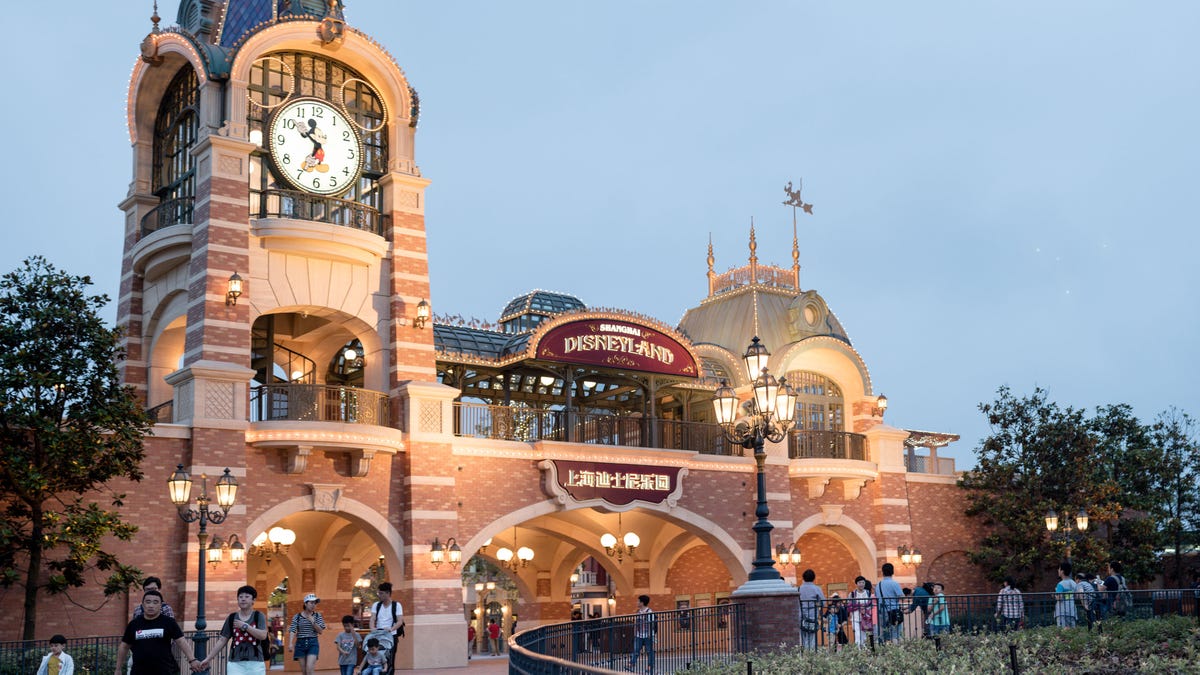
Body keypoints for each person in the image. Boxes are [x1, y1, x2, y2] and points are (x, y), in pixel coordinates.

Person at [115, 590, 200, 675]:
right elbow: (124, 646)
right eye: (148, 602)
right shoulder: (134, 624)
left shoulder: (169, 622)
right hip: (139, 671)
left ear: (161, 605)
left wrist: (192, 660)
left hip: (164, 671)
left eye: (155, 602)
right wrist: (118, 669)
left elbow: (181, 641)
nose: (151, 605)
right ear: (143, 604)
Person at [202, 585, 270, 675]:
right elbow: (222, 640)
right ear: (237, 600)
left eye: (247, 596)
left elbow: (262, 635)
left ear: (253, 600)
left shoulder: (258, 616)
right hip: (235, 664)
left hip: (256, 663)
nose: (243, 599)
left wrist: (245, 626)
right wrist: (208, 659)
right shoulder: (232, 618)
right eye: (240, 597)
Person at [369, 582, 404, 673]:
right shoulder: (376, 605)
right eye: (378, 593)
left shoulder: (396, 605)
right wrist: (372, 628)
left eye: (381, 593)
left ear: (388, 593)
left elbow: (400, 621)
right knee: (378, 660)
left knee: (390, 659)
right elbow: (372, 618)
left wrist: (391, 629)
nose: (379, 595)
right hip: (379, 636)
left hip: (391, 636)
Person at [289, 593, 326, 675]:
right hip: (300, 644)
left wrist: (313, 621)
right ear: (305, 604)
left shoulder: (317, 616)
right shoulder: (297, 616)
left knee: (309, 668)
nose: (313, 605)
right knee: (304, 671)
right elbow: (292, 630)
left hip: (312, 643)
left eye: (315, 603)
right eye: (311, 603)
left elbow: (320, 631)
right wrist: (290, 643)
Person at [796, 569, 825, 650]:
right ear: (814, 578)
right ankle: (810, 654)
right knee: (812, 636)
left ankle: (804, 652)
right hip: (813, 615)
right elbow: (823, 602)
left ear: (803, 578)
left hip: (801, 616)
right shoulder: (816, 589)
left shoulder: (798, 589)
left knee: (803, 635)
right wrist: (817, 604)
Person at [876, 563, 904, 642]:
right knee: (895, 634)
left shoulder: (879, 584)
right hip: (894, 611)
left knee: (885, 633)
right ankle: (895, 652)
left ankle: (886, 650)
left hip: (882, 611)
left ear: (882, 572)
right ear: (892, 571)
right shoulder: (894, 583)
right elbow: (901, 596)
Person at [628, 594, 655, 673]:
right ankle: (631, 664)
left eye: (638, 601)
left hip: (647, 635)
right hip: (639, 635)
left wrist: (650, 634)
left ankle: (650, 666)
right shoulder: (638, 612)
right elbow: (636, 624)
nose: (637, 602)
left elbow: (652, 624)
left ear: (642, 603)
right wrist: (635, 633)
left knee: (649, 651)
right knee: (636, 650)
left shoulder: (649, 612)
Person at [847, 576, 874, 647]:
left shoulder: (868, 593)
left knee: (864, 635)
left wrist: (865, 608)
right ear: (856, 584)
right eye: (859, 582)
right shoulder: (852, 594)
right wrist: (859, 607)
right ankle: (858, 650)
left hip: (865, 618)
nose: (861, 584)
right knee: (857, 634)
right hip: (855, 617)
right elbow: (849, 606)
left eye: (863, 582)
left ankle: (864, 649)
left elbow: (871, 604)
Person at [1054, 562, 1077, 628]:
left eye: (1059, 569)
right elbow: (1076, 596)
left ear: (1062, 571)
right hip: (1072, 611)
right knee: (1072, 632)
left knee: (1062, 633)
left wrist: (1055, 594)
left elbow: (1059, 598)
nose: (1058, 570)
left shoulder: (1060, 584)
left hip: (1062, 612)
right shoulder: (1073, 583)